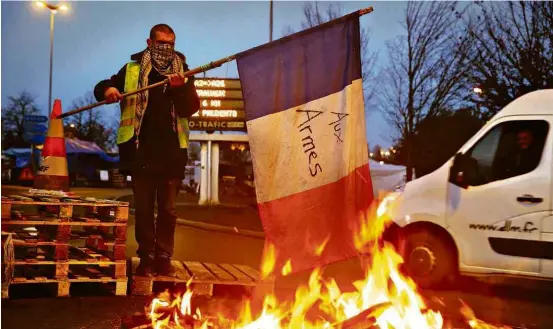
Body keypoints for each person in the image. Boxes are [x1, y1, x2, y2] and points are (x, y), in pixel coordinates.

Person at [94, 24, 200, 276]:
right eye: (161, 43)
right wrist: (108, 90)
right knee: (143, 210)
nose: (166, 48)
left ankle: (164, 257)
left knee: (168, 210)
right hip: (140, 154)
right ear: (149, 42)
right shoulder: (131, 69)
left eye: (171, 44)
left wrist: (179, 88)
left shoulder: (183, 71)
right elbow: (103, 85)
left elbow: (190, 109)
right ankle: (147, 257)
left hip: (172, 154)